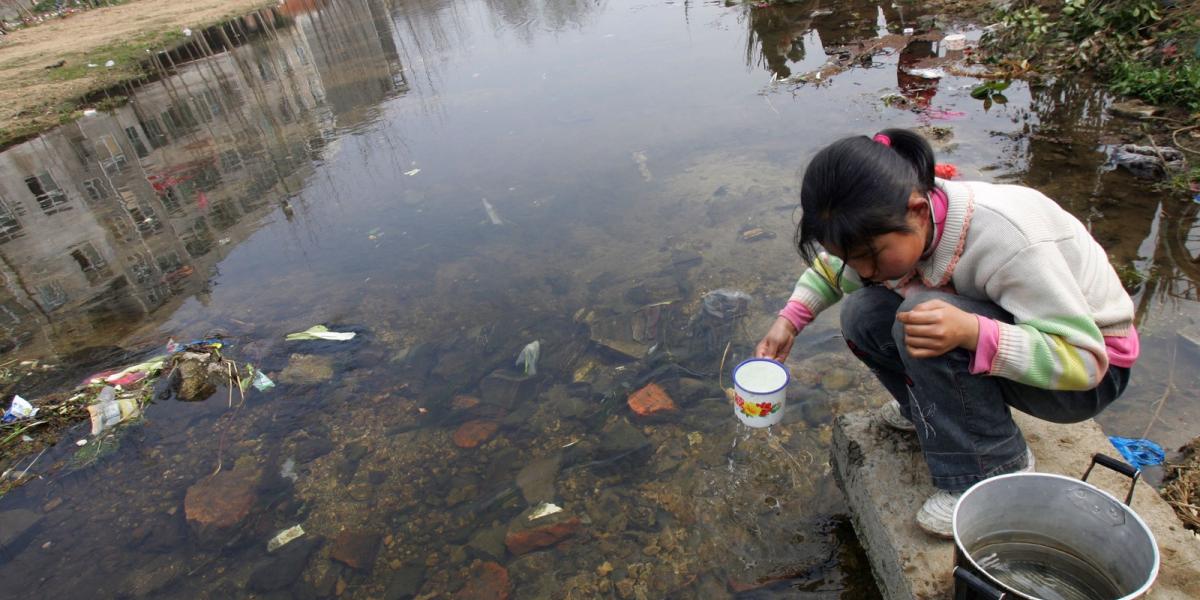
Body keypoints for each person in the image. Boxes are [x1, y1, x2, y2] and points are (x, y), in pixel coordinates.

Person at [756, 128, 1138, 538]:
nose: (863, 270)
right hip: (1032, 345)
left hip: (1083, 376)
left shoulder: (1006, 239)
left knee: (923, 316)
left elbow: (1086, 363)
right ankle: (929, 411)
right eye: (850, 257)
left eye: (870, 256)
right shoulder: (898, 224)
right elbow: (836, 273)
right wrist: (788, 322)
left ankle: (992, 466)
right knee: (862, 314)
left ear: (918, 212)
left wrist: (973, 332)